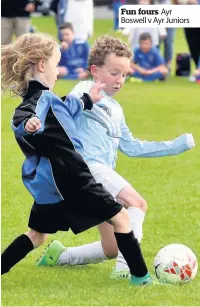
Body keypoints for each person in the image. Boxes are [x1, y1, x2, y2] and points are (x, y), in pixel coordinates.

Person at [35, 35, 195, 279]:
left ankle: (59, 256)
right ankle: (127, 270)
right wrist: (87, 98)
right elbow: (67, 108)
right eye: (114, 73)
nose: (120, 81)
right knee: (137, 203)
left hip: (98, 177)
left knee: (111, 247)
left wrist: (176, 145)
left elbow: (131, 147)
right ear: (95, 71)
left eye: (124, 75)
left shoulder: (116, 110)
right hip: (87, 168)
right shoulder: (84, 90)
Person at [1, 32, 153, 287]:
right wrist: (28, 125)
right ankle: (142, 278)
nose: (59, 71)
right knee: (122, 218)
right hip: (74, 176)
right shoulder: (37, 102)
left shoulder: (45, 99)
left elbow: (65, 107)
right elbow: (22, 118)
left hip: (51, 186)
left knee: (37, 236)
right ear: (41, 65)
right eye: (56, 64)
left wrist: (87, 99)